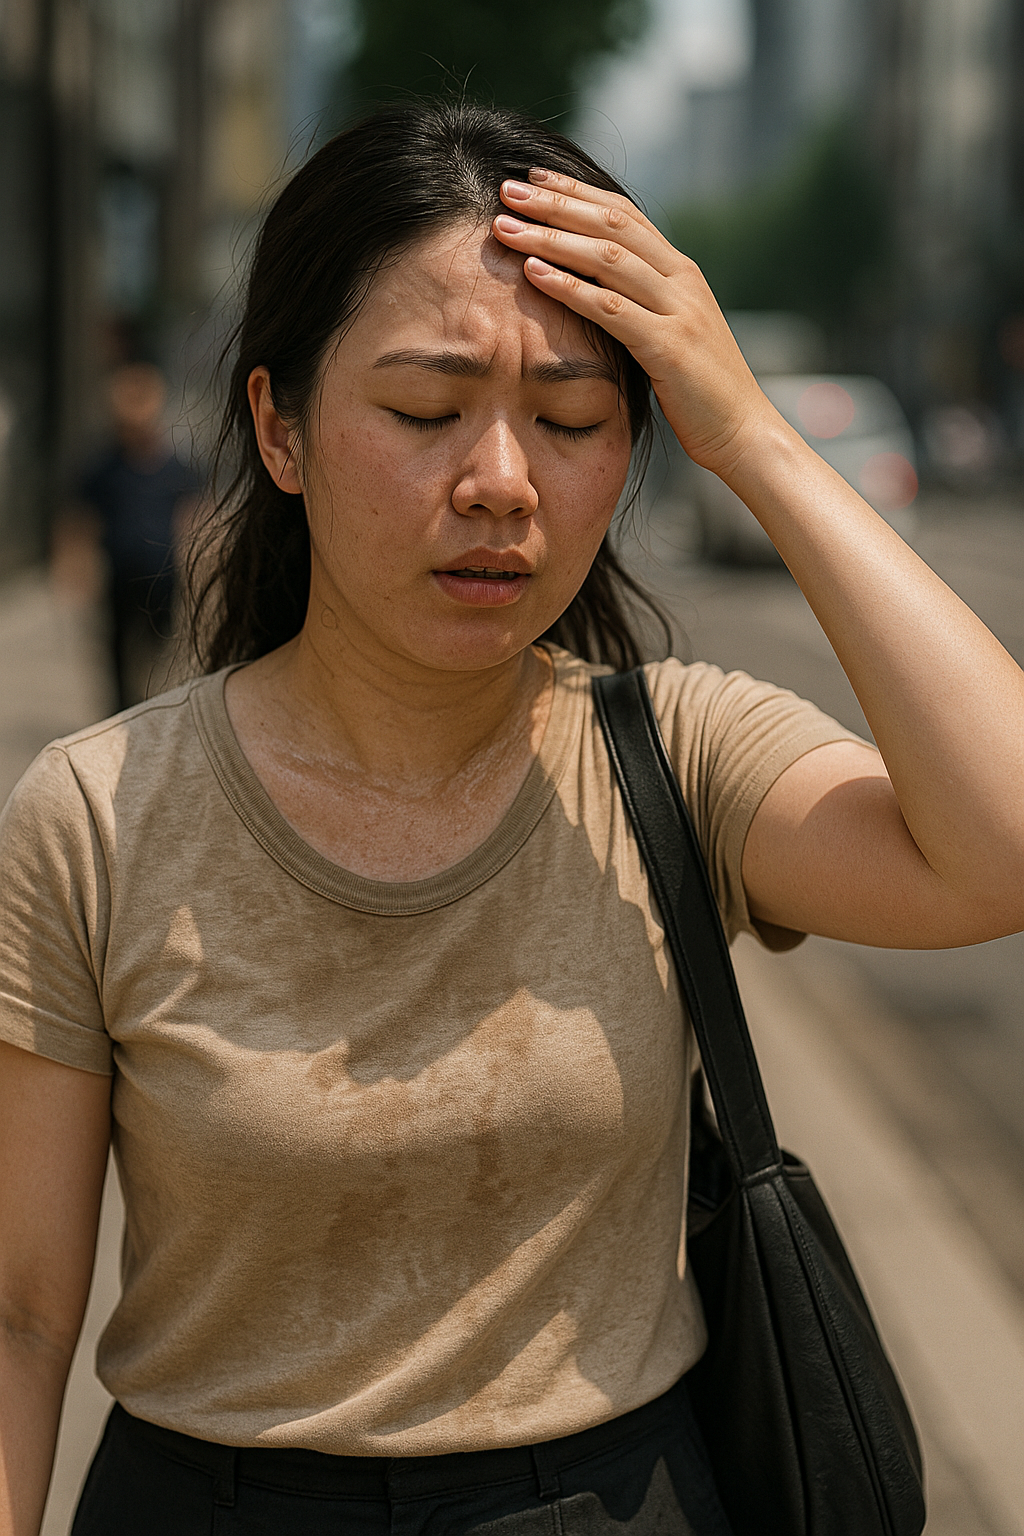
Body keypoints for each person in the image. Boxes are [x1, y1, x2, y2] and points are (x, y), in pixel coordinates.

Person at [2, 101, 1023, 1536]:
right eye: (426, 413)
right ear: (279, 428)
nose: (500, 482)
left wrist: (753, 435)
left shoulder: (676, 754)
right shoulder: (99, 814)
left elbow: (1001, 847)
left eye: (573, 421)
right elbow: (22, 1316)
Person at [73, 362, 200, 710]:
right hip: (119, 572)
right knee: (117, 644)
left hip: (163, 572)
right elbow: (82, 519)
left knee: (160, 641)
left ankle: (153, 703)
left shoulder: (176, 468)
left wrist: (195, 556)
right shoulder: (103, 468)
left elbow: (192, 513)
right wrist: (77, 566)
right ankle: (120, 708)